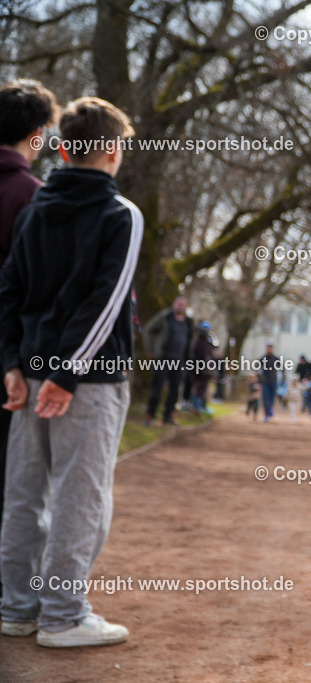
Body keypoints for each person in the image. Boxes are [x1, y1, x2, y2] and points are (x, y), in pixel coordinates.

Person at [0, 96, 138, 647]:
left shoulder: (35, 209)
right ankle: (62, 616)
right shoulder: (120, 214)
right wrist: (67, 374)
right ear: (111, 153)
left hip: (32, 374)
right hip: (86, 382)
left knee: (25, 494)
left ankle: (16, 609)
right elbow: (106, 304)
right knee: (81, 496)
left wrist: (13, 364)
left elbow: (9, 291)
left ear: (61, 149)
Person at [0, 78, 58, 603]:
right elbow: (31, 290)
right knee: (17, 483)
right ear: (37, 136)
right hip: (12, 357)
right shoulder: (34, 199)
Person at [143, 296, 193, 426]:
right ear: (173, 304)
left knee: (175, 390)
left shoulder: (188, 322)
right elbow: (148, 330)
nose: (181, 306)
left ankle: (168, 417)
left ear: (186, 306)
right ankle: (150, 416)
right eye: (178, 303)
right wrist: (151, 350)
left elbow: (190, 341)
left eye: (183, 304)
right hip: (163, 358)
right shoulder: (165, 317)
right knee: (157, 388)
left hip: (180, 361)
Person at [188, 321, 216, 415]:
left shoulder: (207, 342)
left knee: (200, 389)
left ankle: (197, 408)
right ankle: (195, 408)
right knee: (199, 389)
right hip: (200, 370)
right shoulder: (199, 342)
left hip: (202, 370)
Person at [257, 342, 281, 421]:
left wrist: (282, 379)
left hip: (274, 381)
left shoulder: (276, 359)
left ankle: (270, 410)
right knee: (265, 398)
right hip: (265, 381)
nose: (270, 349)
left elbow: (282, 369)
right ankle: (267, 414)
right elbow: (257, 369)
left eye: (271, 347)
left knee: (272, 398)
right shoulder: (263, 358)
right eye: (268, 347)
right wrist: (260, 378)